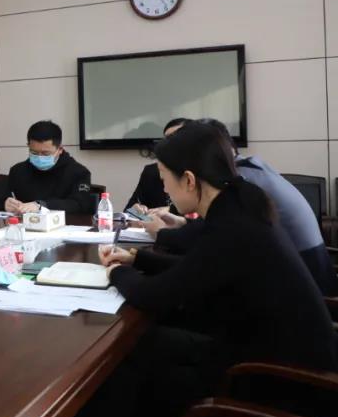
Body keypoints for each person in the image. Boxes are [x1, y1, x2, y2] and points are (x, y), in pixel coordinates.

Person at [99, 122, 336, 417]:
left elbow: (157, 296)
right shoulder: (240, 204)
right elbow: (198, 268)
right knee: (148, 348)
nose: (164, 190)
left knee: (152, 377)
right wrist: (137, 258)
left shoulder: (233, 227)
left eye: (165, 179)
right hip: (275, 357)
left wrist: (115, 272)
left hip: (284, 388)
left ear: (189, 180)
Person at [141, 118, 336, 296]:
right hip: (303, 276)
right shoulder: (251, 168)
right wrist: (182, 223)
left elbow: (211, 239)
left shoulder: (241, 182)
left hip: (307, 286)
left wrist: (162, 234)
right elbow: (214, 234)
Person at [4, 120, 93, 214]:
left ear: (60, 149)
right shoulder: (17, 171)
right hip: (24, 222)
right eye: (34, 152)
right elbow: (3, 197)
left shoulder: (78, 172)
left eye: (45, 153)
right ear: (28, 146)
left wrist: (41, 206)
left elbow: (80, 205)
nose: (39, 157)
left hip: (65, 222)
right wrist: (5, 203)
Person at [124, 118, 188, 212]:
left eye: (176, 138)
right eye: (167, 139)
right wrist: (135, 211)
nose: (169, 144)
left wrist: (170, 211)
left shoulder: (203, 174)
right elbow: (128, 211)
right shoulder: (152, 172)